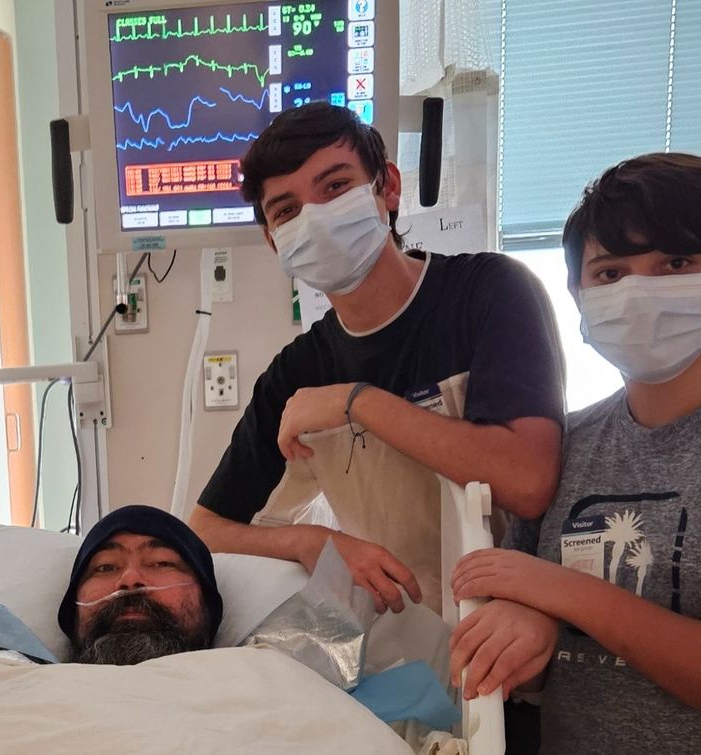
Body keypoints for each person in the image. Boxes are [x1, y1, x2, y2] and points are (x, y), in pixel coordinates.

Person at [190, 102, 566, 615]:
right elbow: (205, 530)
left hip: (525, 628)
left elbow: (527, 481)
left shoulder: (489, 294)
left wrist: (358, 403)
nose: (315, 219)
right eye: (287, 211)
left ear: (387, 187)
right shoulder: (296, 373)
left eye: (335, 187)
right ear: (273, 241)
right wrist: (312, 542)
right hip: (408, 633)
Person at [449, 152, 701, 755]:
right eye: (611, 273)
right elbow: (526, 628)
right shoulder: (566, 448)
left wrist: (559, 595)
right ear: (578, 297)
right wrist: (529, 623)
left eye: (676, 262)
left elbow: (546, 588)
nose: (640, 292)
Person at [58, 505, 223, 665]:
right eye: (105, 567)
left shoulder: (235, 675)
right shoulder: (44, 679)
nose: (130, 580)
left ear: (206, 601)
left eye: (161, 563)